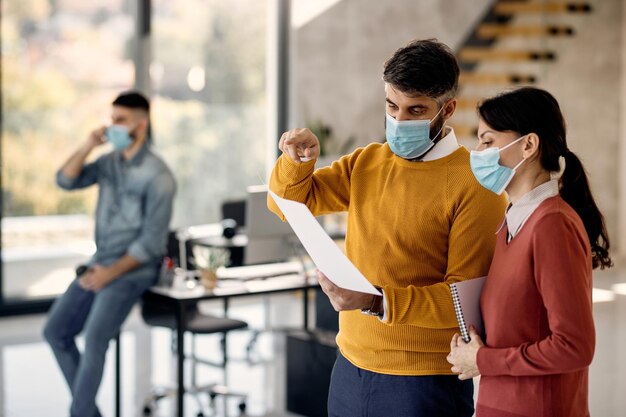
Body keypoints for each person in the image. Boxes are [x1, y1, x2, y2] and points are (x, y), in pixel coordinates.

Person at [268, 39, 508, 417]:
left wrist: (377, 301)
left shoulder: (477, 186)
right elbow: (286, 204)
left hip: (422, 381)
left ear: (446, 110)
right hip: (350, 362)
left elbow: (467, 305)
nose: (399, 121)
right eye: (391, 106)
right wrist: (297, 162)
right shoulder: (368, 161)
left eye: (415, 110)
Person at [447, 86, 612, 417]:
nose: (476, 151)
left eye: (488, 141)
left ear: (528, 145)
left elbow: (574, 346)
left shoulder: (552, 225)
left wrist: (482, 360)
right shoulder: (511, 222)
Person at [43, 91, 176, 417]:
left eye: (120, 120)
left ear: (141, 126)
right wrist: (89, 144)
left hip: (134, 269)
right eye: (111, 119)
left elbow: (150, 243)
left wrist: (109, 274)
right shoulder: (108, 163)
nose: (112, 126)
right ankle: (87, 412)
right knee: (55, 331)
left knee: (95, 338)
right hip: (101, 262)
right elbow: (65, 180)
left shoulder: (159, 176)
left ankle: (80, 412)